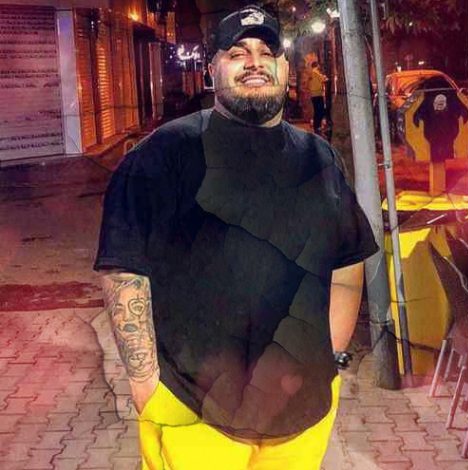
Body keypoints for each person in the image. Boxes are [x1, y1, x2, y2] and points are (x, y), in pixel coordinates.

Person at [94, 5, 378, 469]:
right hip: (195, 414)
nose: (254, 62)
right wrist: (146, 385)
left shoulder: (320, 159)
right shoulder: (162, 156)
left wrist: (332, 357)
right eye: (237, 52)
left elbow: (347, 259)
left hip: (301, 415)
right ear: (212, 69)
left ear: (284, 67)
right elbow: (124, 270)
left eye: (267, 52)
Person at [308, 61, 328, 135]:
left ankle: (316, 126)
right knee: (320, 110)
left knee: (316, 110)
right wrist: (325, 77)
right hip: (318, 94)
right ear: (317, 65)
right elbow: (323, 79)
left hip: (313, 95)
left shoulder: (311, 73)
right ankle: (318, 126)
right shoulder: (315, 72)